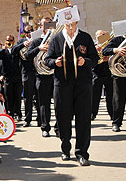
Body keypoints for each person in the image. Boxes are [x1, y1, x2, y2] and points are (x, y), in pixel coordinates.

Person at [45, 13, 98, 166]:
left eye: (72, 21)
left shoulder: (85, 37)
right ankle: (65, 149)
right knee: (63, 118)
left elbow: (95, 58)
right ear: (63, 22)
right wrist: (55, 62)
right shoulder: (56, 39)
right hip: (62, 84)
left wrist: (85, 61)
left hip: (83, 84)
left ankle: (82, 153)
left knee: (83, 119)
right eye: (66, 21)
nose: (70, 24)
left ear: (76, 21)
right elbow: (47, 60)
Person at [25, 17, 57, 138]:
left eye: (50, 23)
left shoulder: (56, 39)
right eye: (45, 24)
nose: (47, 26)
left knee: (59, 103)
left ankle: (59, 127)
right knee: (43, 103)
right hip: (41, 76)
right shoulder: (36, 41)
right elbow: (27, 56)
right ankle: (45, 127)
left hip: (55, 75)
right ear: (40, 26)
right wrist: (39, 48)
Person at [0, 35, 23, 121]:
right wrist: (3, 48)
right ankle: (10, 113)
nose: (9, 42)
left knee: (17, 96)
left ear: (14, 41)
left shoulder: (16, 50)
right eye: (8, 40)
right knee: (8, 96)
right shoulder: (4, 52)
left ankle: (18, 113)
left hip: (17, 77)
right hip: (8, 77)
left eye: (11, 40)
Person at [14, 25, 37, 127]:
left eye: (31, 31)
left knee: (39, 96)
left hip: (38, 71)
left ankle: (41, 119)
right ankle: (28, 119)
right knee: (27, 97)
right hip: (27, 72)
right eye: (27, 31)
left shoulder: (38, 39)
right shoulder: (21, 41)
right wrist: (23, 44)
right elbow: (14, 51)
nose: (29, 33)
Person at [91, 30, 114, 120]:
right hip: (96, 72)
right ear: (96, 37)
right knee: (94, 95)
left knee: (111, 95)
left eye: (103, 35)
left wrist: (108, 57)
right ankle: (92, 113)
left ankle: (112, 114)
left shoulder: (109, 44)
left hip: (108, 72)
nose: (101, 37)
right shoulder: (93, 46)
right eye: (99, 35)